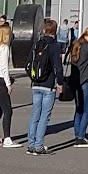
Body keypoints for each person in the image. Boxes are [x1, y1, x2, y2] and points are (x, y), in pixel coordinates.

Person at [26, 18, 64, 156]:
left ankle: (30, 144)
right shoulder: (54, 46)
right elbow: (58, 68)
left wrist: (33, 78)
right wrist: (60, 83)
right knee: (44, 116)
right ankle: (39, 145)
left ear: (43, 30)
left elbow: (28, 63)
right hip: (48, 85)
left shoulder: (37, 44)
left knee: (35, 114)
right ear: (55, 30)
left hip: (36, 84)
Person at [70, 26, 88, 146]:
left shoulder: (76, 45)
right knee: (87, 109)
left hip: (76, 81)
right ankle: (81, 136)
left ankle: (78, 134)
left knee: (79, 109)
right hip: (87, 80)